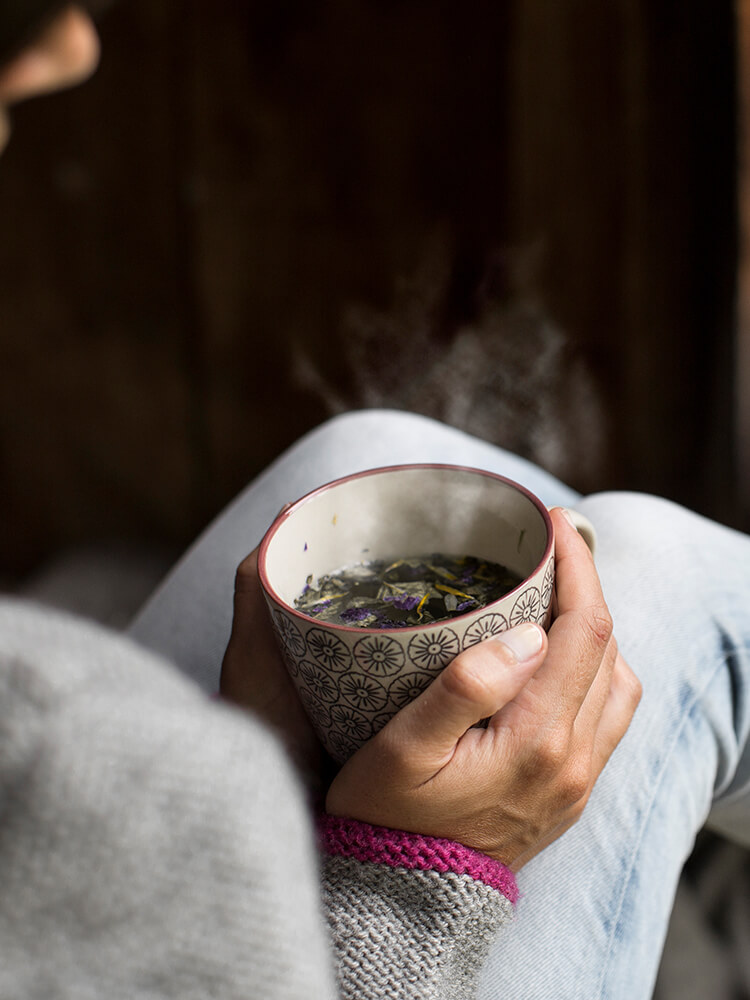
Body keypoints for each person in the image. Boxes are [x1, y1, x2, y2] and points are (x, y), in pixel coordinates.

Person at [0, 8, 747, 1000]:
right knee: (652, 580)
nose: (72, 47)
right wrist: (408, 882)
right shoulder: (109, 769)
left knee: (368, 450)